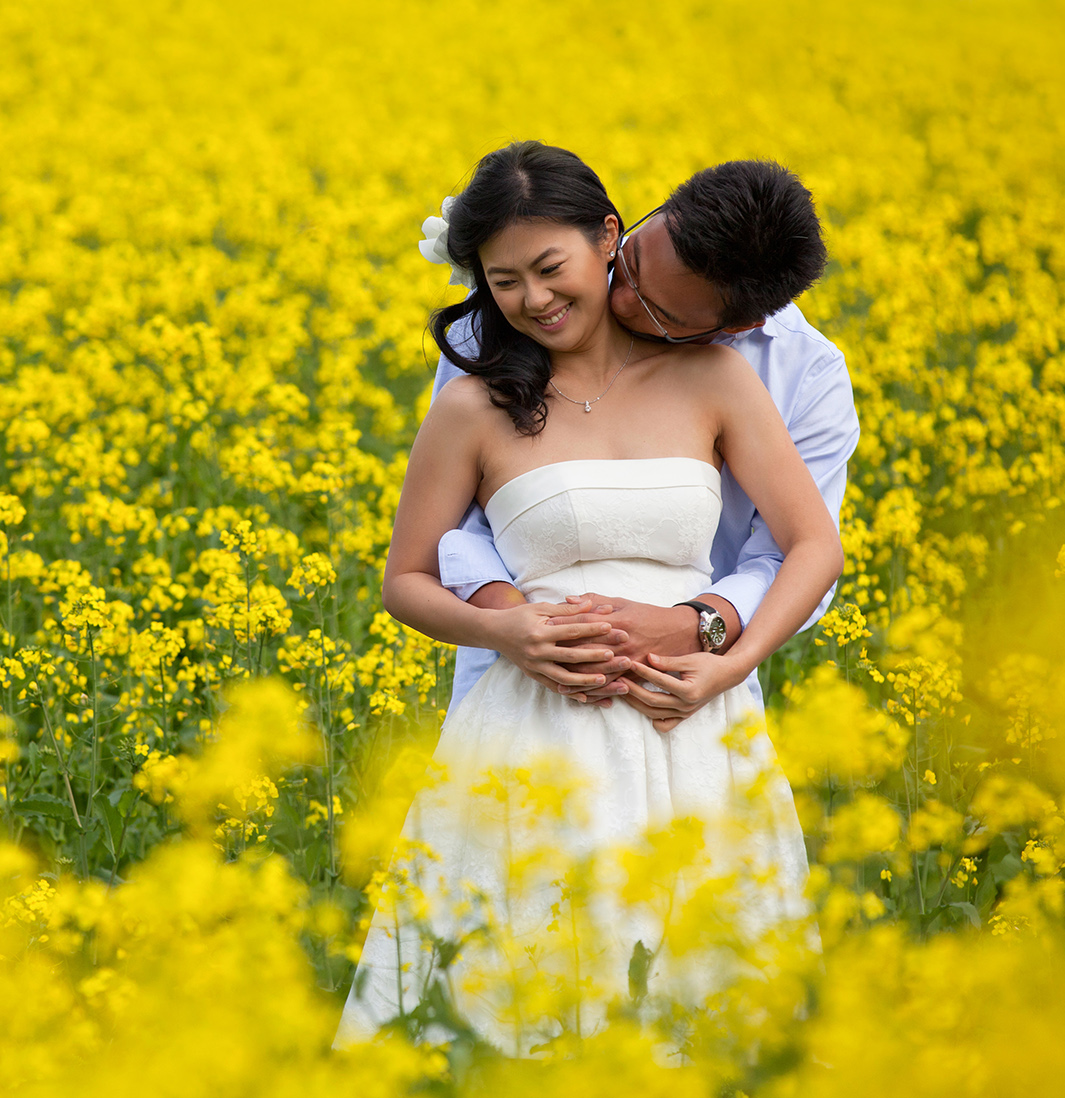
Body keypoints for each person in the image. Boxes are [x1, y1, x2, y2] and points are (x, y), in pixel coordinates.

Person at [336, 142, 842, 1050]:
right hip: (531, 722)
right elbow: (410, 572)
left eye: (550, 271)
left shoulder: (733, 376)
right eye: (504, 279)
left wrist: (720, 662)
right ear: (627, 234)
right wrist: (513, 630)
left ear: (719, 322)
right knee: (510, 990)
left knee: (708, 996)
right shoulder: (476, 394)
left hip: (691, 722)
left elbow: (808, 547)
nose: (538, 299)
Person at [433, 158, 859, 730]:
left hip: (684, 692)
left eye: (661, 312)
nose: (622, 300)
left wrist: (697, 627)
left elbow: (796, 553)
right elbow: (455, 523)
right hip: (519, 687)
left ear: (730, 331)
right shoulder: (514, 319)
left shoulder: (801, 375)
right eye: (630, 264)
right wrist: (526, 627)